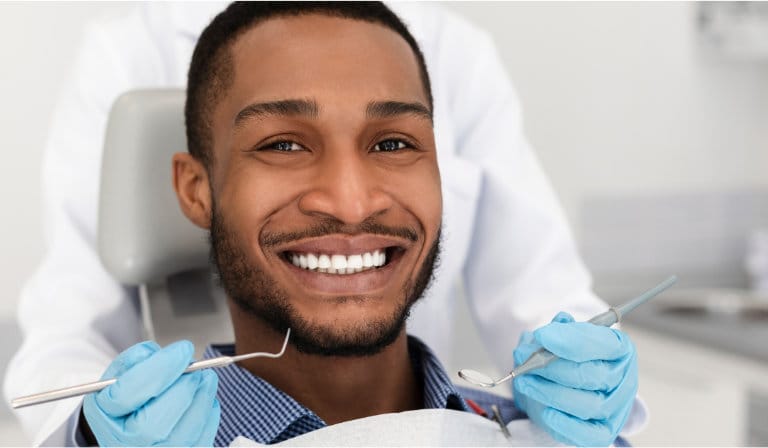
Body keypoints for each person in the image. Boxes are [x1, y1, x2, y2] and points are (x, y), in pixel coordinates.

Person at [4, 2, 644, 446]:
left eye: (393, 144)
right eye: (283, 144)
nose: (350, 201)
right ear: (195, 190)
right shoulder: (128, 47)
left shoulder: (456, 50)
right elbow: (69, 323)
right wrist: (92, 432)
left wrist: (579, 384)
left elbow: (540, 290)